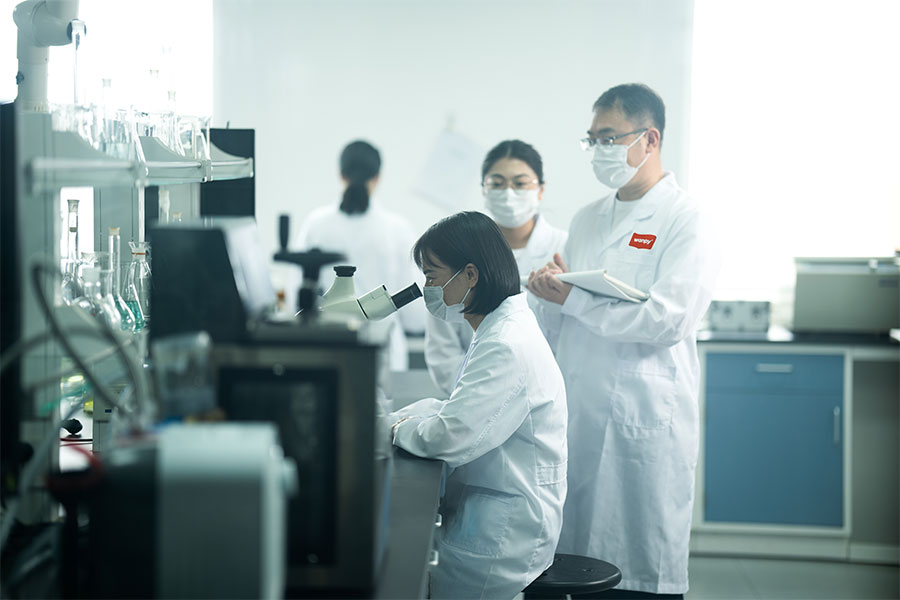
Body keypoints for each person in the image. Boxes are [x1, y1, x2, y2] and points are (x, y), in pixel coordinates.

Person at [528, 83, 720, 598]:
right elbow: (567, 317)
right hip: (579, 412)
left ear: (649, 139)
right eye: (592, 139)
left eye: (609, 138)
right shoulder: (586, 219)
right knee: (573, 563)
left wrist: (576, 301)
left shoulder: (686, 219)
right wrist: (552, 292)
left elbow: (668, 320)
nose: (598, 151)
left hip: (645, 419)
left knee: (636, 572)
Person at [389, 211, 568, 599]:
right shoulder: (499, 327)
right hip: (492, 508)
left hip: (502, 533)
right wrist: (401, 417)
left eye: (432, 275)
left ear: (470, 274)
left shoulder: (505, 343)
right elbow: (460, 407)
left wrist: (394, 428)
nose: (427, 288)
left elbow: (450, 435)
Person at [424, 140, 567, 395]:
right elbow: (442, 345)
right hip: (474, 393)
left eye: (520, 183)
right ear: (484, 189)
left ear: (541, 190)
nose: (508, 192)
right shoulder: (457, 252)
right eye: (497, 183)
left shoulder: (563, 249)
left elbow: (574, 337)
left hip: (547, 393)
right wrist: (479, 394)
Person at [294, 140, 425, 370]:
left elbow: (296, 302)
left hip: (327, 352)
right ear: (378, 177)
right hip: (383, 357)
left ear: (341, 175)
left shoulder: (316, 225)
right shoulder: (397, 230)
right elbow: (415, 317)